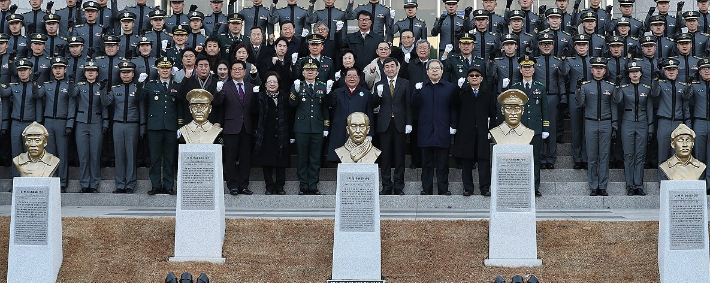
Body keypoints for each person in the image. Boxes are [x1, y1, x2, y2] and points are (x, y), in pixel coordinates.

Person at [411, 59, 458, 195]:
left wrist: (453, 125)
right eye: (432, 68)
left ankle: (443, 189)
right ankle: (427, 189)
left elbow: (453, 108)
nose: (435, 70)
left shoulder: (449, 87)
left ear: (442, 71)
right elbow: (414, 105)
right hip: (425, 130)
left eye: (437, 68)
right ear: (427, 72)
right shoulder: (421, 87)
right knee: (426, 163)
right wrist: (416, 92)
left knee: (443, 163)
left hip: (443, 129)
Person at [140, 57, 182, 195]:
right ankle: (156, 185)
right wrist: (140, 84)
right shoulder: (151, 85)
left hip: (171, 126)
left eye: (167, 68)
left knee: (170, 158)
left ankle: (169, 186)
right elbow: (139, 98)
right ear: (157, 70)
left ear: (171, 70)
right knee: (155, 158)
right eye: (162, 68)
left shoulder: (177, 85)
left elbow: (180, 106)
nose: (165, 70)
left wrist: (179, 125)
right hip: (155, 126)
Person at [213, 60, 256, 195]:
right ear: (231, 72)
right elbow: (217, 103)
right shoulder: (225, 86)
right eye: (234, 69)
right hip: (231, 127)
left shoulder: (250, 86)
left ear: (244, 71)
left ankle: (243, 185)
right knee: (230, 157)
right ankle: (232, 185)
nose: (237, 71)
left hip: (247, 127)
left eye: (240, 69)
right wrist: (218, 91)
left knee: (245, 158)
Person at [576, 57, 617, 197]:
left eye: (601, 68)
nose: (598, 71)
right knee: (592, 156)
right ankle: (593, 186)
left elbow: (614, 106)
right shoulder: (586, 86)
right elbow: (580, 104)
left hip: (606, 122)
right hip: (590, 122)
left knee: (604, 156)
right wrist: (578, 89)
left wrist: (615, 124)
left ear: (605, 70)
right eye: (596, 68)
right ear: (591, 70)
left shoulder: (610, 86)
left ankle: (603, 186)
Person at [101, 61, 143, 194]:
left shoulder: (137, 87)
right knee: (119, 155)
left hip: (132, 124)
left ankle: (130, 184)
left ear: (132, 74)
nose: (125, 75)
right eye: (123, 72)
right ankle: (120, 184)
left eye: (128, 72)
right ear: (120, 74)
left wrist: (142, 127)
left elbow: (141, 108)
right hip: (118, 124)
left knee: (130, 155)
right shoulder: (115, 88)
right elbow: (105, 102)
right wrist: (102, 90)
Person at [453, 66, 496, 196]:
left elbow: (492, 113)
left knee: (483, 160)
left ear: (481, 78)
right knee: (466, 161)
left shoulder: (487, 93)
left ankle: (485, 188)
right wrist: (458, 88)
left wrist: (491, 130)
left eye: (477, 75)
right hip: (466, 132)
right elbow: (453, 103)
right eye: (471, 75)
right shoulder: (462, 92)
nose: (474, 77)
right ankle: (468, 188)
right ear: (467, 78)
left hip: (482, 132)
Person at [289, 58, 329, 195]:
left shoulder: (322, 86)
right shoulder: (298, 85)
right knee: (302, 158)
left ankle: (313, 185)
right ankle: (303, 185)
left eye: (312, 70)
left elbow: (326, 108)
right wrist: (295, 91)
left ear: (317, 73)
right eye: (307, 70)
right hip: (301, 127)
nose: (310, 72)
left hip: (317, 128)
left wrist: (326, 127)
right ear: (303, 72)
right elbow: (291, 105)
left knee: (315, 158)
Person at [372, 57, 411, 195]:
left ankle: (399, 186)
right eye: (387, 67)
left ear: (397, 67)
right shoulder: (379, 84)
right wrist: (378, 95)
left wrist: (409, 123)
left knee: (400, 157)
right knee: (386, 157)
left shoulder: (405, 83)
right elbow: (373, 104)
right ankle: (386, 185)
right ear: (383, 69)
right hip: (384, 125)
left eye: (392, 66)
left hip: (400, 124)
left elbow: (408, 105)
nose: (390, 69)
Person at [511, 55, 549, 197]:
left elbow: (545, 109)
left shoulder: (540, 87)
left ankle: (534, 187)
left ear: (534, 70)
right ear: (520, 70)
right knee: (518, 159)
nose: (527, 70)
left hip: (535, 130)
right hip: (519, 129)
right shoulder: (515, 87)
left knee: (535, 159)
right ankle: (519, 187)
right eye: (524, 67)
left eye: (529, 67)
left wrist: (545, 128)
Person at [613, 61, 652, 196]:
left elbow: (650, 109)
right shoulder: (624, 87)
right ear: (628, 74)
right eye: (632, 72)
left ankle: (638, 185)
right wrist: (617, 87)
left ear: (641, 73)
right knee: (629, 154)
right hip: (627, 122)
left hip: (642, 122)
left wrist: (651, 127)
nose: (634, 74)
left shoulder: (646, 88)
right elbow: (617, 101)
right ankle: (630, 185)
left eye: (637, 71)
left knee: (640, 155)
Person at [2, 60, 43, 179]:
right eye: (20, 70)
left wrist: (38, 124)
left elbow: (38, 104)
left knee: (31, 153)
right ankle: (16, 180)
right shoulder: (14, 86)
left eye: (25, 70)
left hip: (30, 124)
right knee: (16, 154)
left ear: (30, 71)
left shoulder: (35, 87)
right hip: (15, 123)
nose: (22, 73)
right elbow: (4, 94)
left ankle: (31, 179)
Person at [39, 57, 75, 192]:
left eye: (60, 68)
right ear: (52, 70)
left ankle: (62, 182)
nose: (58, 70)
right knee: (49, 154)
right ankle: (51, 181)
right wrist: (34, 82)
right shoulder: (47, 85)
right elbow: (37, 95)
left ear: (65, 69)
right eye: (55, 68)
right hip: (48, 121)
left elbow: (72, 105)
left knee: (62, 154)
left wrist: (69, 124)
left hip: (62, 121)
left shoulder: (68, 85)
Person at [72, 60, 108, 193]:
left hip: (96, 123)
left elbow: (104, 106)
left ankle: (94, 184)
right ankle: (84, 184)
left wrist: (105, 122)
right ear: (85, 73)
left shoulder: (101, 86)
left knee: (95, 155)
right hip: (81, 123)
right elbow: (72, 94)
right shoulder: (79, 86)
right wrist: (71, 82)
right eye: (88, 70)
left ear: (97, 73)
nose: (91, 72)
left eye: (93, 70)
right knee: (83, 156)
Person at [253, 72, 291, 195]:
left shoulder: (284, 96)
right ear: (265, 84)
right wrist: (254, 96)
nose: (272, 84)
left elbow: (289, 115)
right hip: (266, 132)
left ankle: (280, 186)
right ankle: (269, 186)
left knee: (281, 160)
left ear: (278, 84)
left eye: (275, 82)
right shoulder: (260, 96)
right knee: (267, 161)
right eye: (270, 82)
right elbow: (253, 112)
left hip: (281, 132)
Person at [652, 58, 692, 172]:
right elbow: (654, 93)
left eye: (673, 69)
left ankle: (676, 182)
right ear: (665, 71)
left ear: (677, 71)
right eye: (668, 69)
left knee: (678, 154)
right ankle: (662, 182)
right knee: (663, 154)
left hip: (678, 123)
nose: (671, 72)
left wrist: (688, 125)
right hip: (664, 122)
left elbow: (686, 105)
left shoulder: (682, 86)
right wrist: (655, 79)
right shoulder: (660, 84)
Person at [559, 34, 592, 169]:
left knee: (588, 129)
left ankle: (587, 157)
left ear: (588, 46)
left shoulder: (594, 61)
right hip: (574, 96)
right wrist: (562, 59)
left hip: (590, 97)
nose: (582, 47)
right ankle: (577, 158)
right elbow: (563, 73)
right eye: (579, 45)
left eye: (584, 45)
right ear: (575, 46)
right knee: (576, 129)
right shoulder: (570, 61)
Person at [327, 67, 371, 162]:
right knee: (341, 158)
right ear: (345, 79)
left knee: (358, 159)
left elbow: (369, 114)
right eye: (349, 76)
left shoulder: (366, 93)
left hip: (359, 132)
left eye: (354, 76)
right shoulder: (337, 92)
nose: (352, 79)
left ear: (359, 78)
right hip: (340, 131)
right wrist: (328, 92)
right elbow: (329, 104)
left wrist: (370, 133)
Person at [684, 58, 710, 192]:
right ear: (699, 72)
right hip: (699, 121)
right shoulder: (695, 86)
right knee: (699, 154)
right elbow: (686, 100)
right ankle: (700, 183)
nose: (707, 71)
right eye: (704, 69)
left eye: (709, 68)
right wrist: (689, 84)